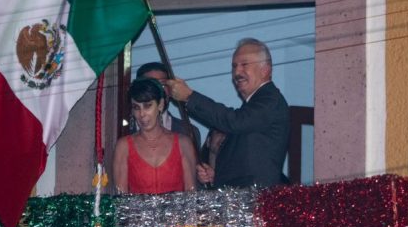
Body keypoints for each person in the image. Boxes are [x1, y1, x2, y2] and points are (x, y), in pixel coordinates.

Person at [165, 38, 289, 189]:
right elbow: (247, 160)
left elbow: (234, 122)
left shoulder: (270, 99)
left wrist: (189, 97)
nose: (237, 72)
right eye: (234, 66)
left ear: (265, 70)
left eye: (244, 65)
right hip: (244, 198)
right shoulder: (252, 106)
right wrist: (217, 176)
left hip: (254, 199)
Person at [112, 78, 197, 194]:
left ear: (160, 105)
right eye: (136, 107)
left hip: (177, 212)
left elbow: (191, 194)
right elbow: (120, 198)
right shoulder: (124, 146)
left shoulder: (183, 143)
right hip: (136, 212)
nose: (142, 114)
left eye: (147, 106)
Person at [135, 62, 202, 150]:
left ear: (171, 89)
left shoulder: (188, 131)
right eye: (151, 85)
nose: (158, 90)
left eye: (162, 85)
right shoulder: (122, 128)